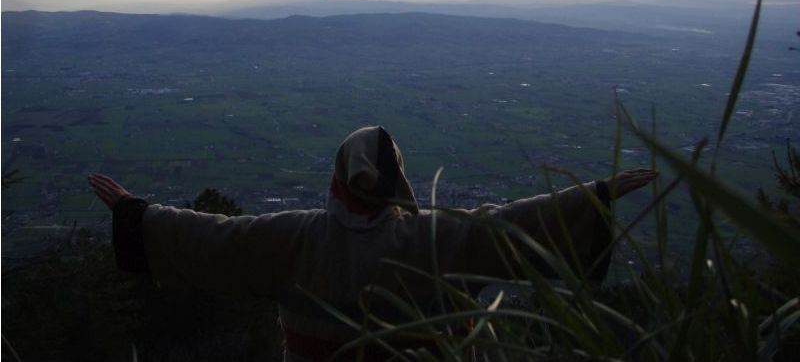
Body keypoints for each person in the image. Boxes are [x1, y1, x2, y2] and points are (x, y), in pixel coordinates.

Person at [89, 125, 656, 362]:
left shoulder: (292, 237)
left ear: (337, 181)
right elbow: (519, 224)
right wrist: (597, 195)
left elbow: (211, 240)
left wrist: (136, 214)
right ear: (399, 185)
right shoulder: (439, 237)